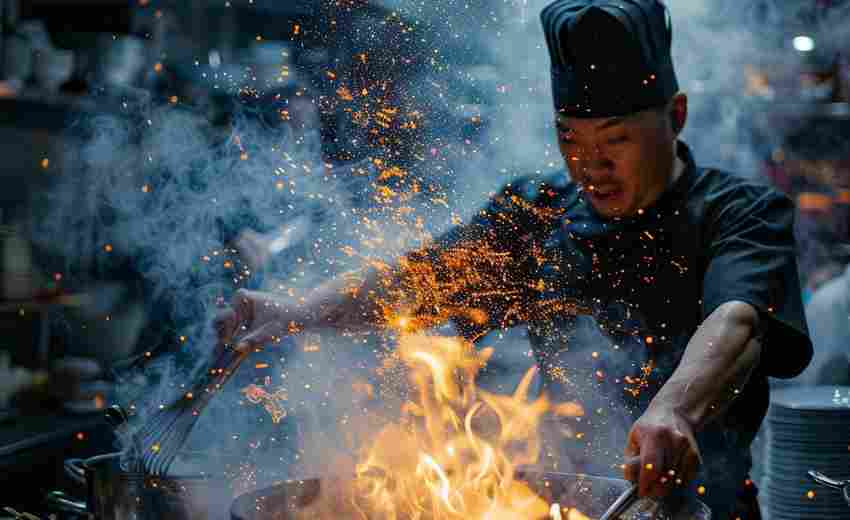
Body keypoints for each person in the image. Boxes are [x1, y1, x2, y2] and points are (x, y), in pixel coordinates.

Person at [215, 1, 812, 517]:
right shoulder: (539, 210)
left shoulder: (742, 212)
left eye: (616, 141)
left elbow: (738, 320)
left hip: (703, 510)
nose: (591, 166)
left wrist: (672, 412)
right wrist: (296, 309)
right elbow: (417, 279)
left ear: (674, 115)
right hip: (574, 506)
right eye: (571, 140)